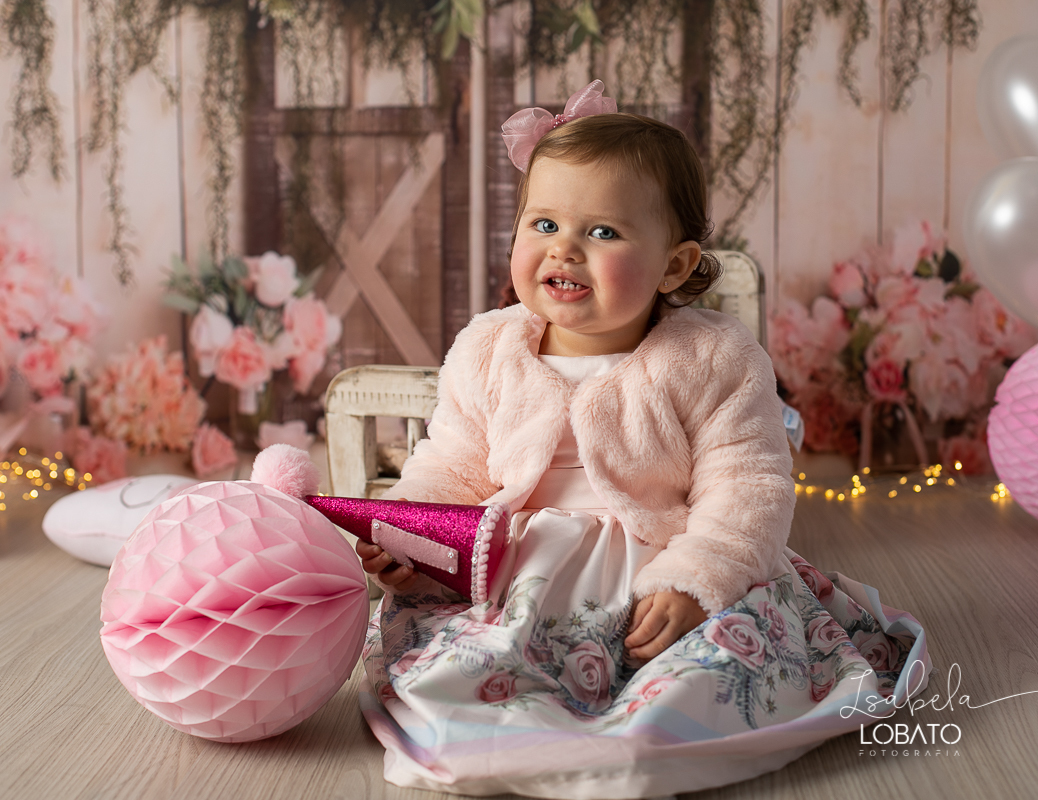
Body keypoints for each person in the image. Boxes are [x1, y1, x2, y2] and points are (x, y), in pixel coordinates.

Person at [354, 81, 929, 799]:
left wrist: (699, 578)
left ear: (674, 265)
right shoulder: (489, 348)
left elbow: (747, 487)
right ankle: (518, 725)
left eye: (603, 233)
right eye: (543, 223)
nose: (564, 249)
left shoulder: (711, 356)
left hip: (660, 563)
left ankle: (648, 728)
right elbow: (452, 463)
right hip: (519, 573)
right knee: (471, 668)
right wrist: (412, 533)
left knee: (710, 670)